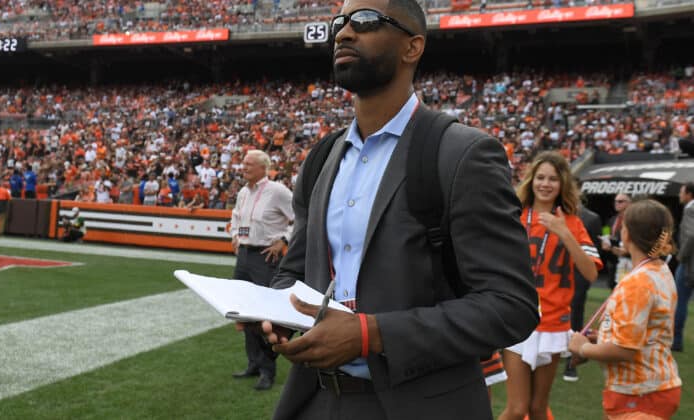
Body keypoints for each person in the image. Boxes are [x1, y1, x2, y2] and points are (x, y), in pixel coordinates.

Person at [257, 0, 539, 417]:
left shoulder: (463, 153)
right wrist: (278, 314)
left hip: (421, 405)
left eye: (366, 21)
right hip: (316, 400)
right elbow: (295, 272)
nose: (345, 33)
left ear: (413, 47)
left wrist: (371, 334)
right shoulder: (321, 158)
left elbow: (510, 305)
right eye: (340, 23)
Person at [500, 151, 602, 420]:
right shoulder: (514, 216)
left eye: (553, 179)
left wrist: (564, 233)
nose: (545, 184)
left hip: (553, 323)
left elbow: (590, 273)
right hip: (517, 319)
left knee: (537, 408)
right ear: (531, 180)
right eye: (541, 177)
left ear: (562, 184)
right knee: (517, 408)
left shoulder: (572, 223)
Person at [569, 199, 682, 419]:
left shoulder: (637, 282)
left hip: (640, 393)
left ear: (626, 234)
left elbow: (624, 349)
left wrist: (583, 349)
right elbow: (641, 332)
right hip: (651, 388)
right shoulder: (659, 270)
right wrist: (602, 338)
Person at [230, 149, 294, 391]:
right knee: (245, 313)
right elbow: (236, 217)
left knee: (264, 314)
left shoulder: (277, 191)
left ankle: (267, 370)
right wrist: (235, 235)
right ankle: (253, 363)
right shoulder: (244, 192)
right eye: (243, 164)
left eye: (248, 165)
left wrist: (284, 240)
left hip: (265, 257)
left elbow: (300, 216)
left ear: (262, 167)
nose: (243, 168)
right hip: (245, 255)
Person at [563, 197, 602, 381]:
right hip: (553, 277)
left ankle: (572, 361)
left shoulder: (590, 218)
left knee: (575, 315)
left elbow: (594, 250)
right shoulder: (542, 213)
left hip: (578, 276)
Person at [673, 182, 694, 351]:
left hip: (689, 264)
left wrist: (681, 256)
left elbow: (691, 235)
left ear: (688, 194)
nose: (680, 195)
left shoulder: (690, 209)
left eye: (681, 192)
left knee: (679, 301)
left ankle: (676, 340)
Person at [602, 193, 632, 289]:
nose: (617, 203)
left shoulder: (632, 220)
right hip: (612, 260)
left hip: (627, 260)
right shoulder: (612, 219)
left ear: (629, 203)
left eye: (620, 201)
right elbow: (605, 230)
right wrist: (604, 240)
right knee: (613, 287)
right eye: (615, 201)